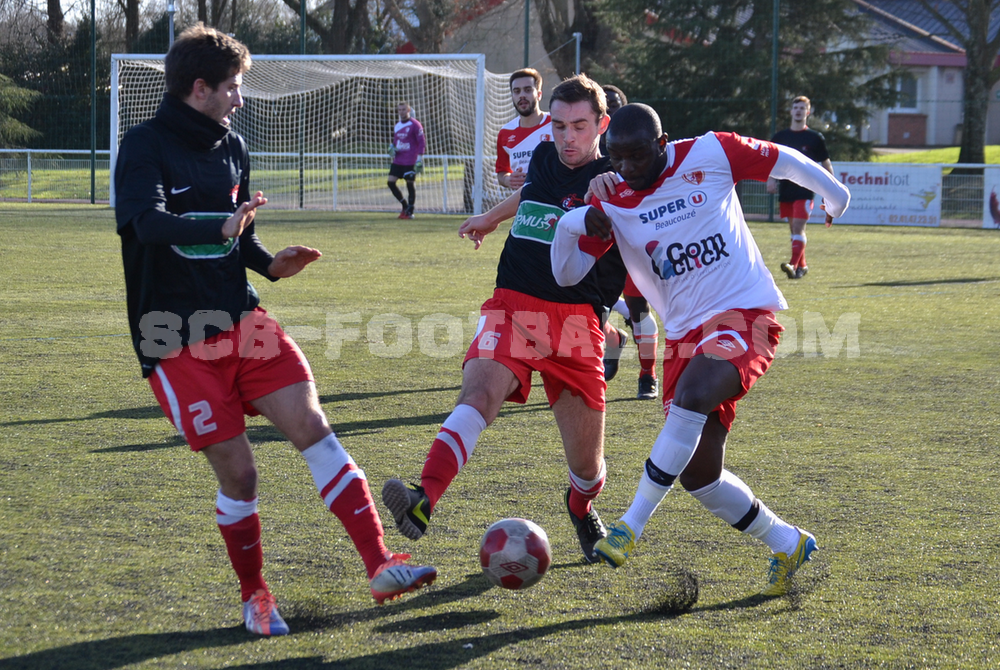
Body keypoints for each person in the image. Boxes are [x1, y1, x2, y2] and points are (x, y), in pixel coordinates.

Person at [113, 24, 436, 637]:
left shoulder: (232, 145)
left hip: (244, 320)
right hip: (172, 337)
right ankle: (255, 595)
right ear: (199, 87)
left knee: (314, 428)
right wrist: (221, 227)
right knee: (241, 473)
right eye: (233, 87)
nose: (240, 97)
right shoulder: (144, 144)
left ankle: (381, 564)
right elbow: (145, 224)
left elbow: (242, 233)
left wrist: (269, 263)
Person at [550, 103, 850, 596]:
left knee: (690, 399)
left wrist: (835, 196)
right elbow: (565, 274)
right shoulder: (611, 199)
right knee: (699, 475)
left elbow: (785, 159)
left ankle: (629, 527)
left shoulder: (710, 152)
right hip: (685, 336)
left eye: (637, 156)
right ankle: (788, 541)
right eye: (616, 159)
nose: (626, 168)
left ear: (663, 142)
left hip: (744, 313)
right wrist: (573, 224)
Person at [383, 74, 624, 564]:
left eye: (580, 126)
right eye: (558, 125)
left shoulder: (618, 181)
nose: (567, 137)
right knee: (478, 394)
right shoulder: (541, 155)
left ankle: (580, 507)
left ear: (602, 124)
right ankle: (423, 497)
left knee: (588, 468)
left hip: (577, 323)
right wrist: (490, 219)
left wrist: (619, 192)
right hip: (511, 303)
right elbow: (532, 195)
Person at [597, 84, 659, 400]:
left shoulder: (638, 148)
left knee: (639, 309)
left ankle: (647, 374)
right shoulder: (586, 153)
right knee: (586, 308)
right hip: (600, 241)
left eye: (610, 109)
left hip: (635, 242)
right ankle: (612, 342)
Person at [766, 95, 834, 279]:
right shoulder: (780, 137)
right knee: (793, 230)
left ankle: (792, 265)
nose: (798, 111)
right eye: (795, 107)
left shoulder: (814, 138)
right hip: (786, 189)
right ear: (790, 111)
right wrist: (770, 179)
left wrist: (831, 190)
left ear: (808, 112)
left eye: (802, 108)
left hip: (805, 191)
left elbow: (826, 163)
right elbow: (772, 161)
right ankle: (802, 266)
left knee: (797, 227)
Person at [495, 68, 551, 190]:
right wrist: (508, 179)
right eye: (517, 91)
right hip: (523, 203)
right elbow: (502, 172)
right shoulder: (505, 133)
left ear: (539, 94)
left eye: (527, 90)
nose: (522, 96)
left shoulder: (556, 123)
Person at [388, 102, 426, 219]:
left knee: (410, 184)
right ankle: (404, 205)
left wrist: (419, 159)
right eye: (399, 110)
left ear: (409, 110)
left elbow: (421, 142)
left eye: (404, 109)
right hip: (398, 160)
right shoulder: (397, 125)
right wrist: (392, 148)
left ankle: (410, 211)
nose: (401, 112)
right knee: (390, 182)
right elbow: (396, 141)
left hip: (411, 159)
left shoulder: (415, 125)